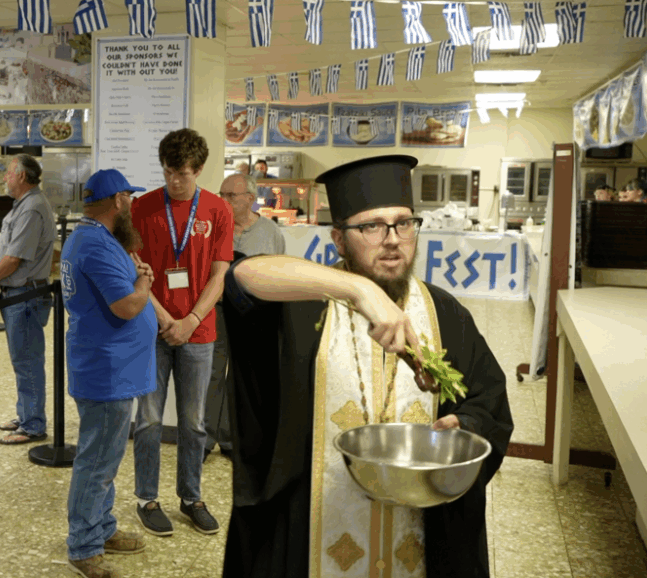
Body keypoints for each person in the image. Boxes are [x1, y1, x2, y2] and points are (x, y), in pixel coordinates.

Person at [220, 155, 514, 578]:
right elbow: (240, 278)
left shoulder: (445, 314)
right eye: (372, 226)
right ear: (339, 240)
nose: (392, 239)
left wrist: (465, 425)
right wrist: (358, 290)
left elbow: (489, 400)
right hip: (316, 532)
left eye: (403, 223)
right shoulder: (303, 307)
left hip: (419, 541)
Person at [130, 128, 233, 537]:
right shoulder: (142, 207)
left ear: (199, 170)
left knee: (193, 422)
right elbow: (135, 269)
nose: (175, 181)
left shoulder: (217, 210)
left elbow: (219, 275)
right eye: (169, 172)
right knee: (149, 419)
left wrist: (190, 320)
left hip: (199, 331)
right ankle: (146, 498)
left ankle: (191, 497)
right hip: (152, 328)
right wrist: (162, 317)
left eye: (183, 174)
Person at [61, 169, 156, 578]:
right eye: (129, 197)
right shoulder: (96, 245)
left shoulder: (94, 238)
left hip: (111, 367)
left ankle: (102, 527)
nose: (132, 204)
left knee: (106, 457)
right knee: (97, 462)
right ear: (118, 200)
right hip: (107, 371)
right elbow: (127, 306)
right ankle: (84, 547)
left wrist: (136, 278)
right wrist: (144, 284)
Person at [0, 154, 56, 445]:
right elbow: (5, 247)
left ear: (22, 176)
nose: (4, 178)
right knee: (21, 359)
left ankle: (33, 424)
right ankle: (26, 414)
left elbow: (14, 258)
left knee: (27, 361)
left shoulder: (33, 208)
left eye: (9, 173)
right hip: (15, 294)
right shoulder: (22, 205)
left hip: (25, 296)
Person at [206, 173, 286, 454]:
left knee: (240, 376)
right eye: (221, 194)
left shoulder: (270, 232)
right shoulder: (213, 227)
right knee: (212, 373)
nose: (223, 200)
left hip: (251, 314)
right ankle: (205, 439)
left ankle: (231, 439)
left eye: (230, 195)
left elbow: (277, 273)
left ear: (250, 199)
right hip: (216, 311)